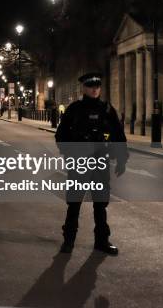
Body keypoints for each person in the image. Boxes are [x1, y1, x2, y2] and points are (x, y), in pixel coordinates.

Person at [55, 72, 128, 255]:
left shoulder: (107, 110)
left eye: (97, 86)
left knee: (100, 204)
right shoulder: (75, 109)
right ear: (84, 88)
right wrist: (69, 155)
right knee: (74, 203)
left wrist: (121, 159)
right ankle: (69, 241)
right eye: (90, 86)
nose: (95, 89)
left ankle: (102, 241)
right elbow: (61, 135)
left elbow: (119, 136)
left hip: (100, 162)